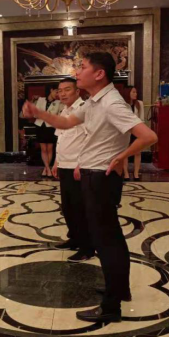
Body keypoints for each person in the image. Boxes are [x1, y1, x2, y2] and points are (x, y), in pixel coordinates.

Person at [24, 52, 158, 325]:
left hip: (100, 178)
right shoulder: (95, 101)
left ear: (99, 74)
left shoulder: (111, 103)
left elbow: (148, 136)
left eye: (82, 67)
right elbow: (66, 122)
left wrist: (121, 156)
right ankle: (119, 290)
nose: (77, 72)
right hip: (93, 175)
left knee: (106, 242)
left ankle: (111, 307)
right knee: (111, 238)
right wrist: (39, 112)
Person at [51, 78, 93, 263]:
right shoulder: (64, 110)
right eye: (60, 90)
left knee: (80, 208)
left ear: (77, 91)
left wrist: (81, 164)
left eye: (67, 89)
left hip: (78, 167)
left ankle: (87, 248)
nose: (62, 93)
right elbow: (60, 138)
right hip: (64, 166)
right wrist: (56, 162)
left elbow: (90, 139)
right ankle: (74, 238)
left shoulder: (84, 110)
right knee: (68, 207)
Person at [34, 85, 64, 178]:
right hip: (40, 126)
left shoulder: (58, 102)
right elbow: (35, 114)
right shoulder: (41, 100)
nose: (57, 94)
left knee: (50, 149)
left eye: (58, 92)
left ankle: (46, 169)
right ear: (51, 90)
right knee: (43, 149)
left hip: (50, 127)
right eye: (56, 91)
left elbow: (59, 115)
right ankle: (47, 168)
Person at [123, 87, 145, 182]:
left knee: (137, 152)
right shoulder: (123, 104)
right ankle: (126, 173)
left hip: (136, 130)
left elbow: (142, 119)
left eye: (136, 92)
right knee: (125, 153)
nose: (135, 94)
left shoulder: (139, 104)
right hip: (126, 131)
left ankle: (136, 173)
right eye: (133, 92)